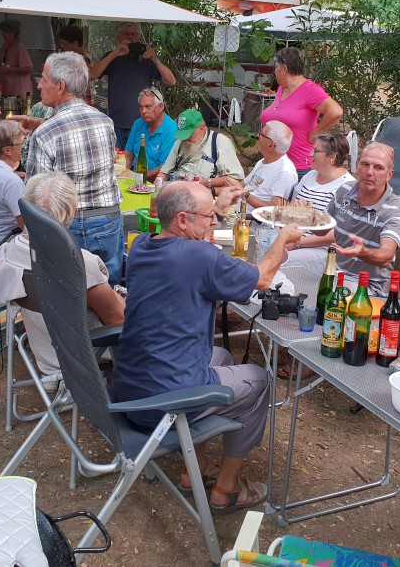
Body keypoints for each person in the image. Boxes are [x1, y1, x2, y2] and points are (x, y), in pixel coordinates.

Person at [113, 180, 303, 513]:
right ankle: (226, 491)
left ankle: (193, 471)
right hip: (163, 401)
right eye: (209, 216)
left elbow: (191, 241)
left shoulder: (143, 245)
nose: (215, 221)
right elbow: (260, 279)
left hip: (131, 388)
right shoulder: (199, 256)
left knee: (223, 356)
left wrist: (216, 206)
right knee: (259, 380)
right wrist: (283, 238)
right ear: (184, 220)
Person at [0, 172, 125, 378]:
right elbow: (118, 320)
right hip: (86, 357)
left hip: (45, 354)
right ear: (74, 212)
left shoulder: (7, 251)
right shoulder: (81, 263)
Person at [24, 51, 125, 285]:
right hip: (108, 218)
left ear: (60, 86)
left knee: (70, 297)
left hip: (67, 224)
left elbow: (36, 196)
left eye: (43, 79)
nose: (38, 85)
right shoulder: (105, 122)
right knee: (109, 290)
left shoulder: (46, 133)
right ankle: (111, 324)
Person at [294, 142, 400, 297]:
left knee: (321, 294)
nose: (369, 172)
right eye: (365, 164)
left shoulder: (396, 210)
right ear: (357, 166)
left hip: (368, 286)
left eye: (378, 167)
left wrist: (364, 252)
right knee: (282, 263)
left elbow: (386, 255)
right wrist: (310, 218)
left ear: (389, 174)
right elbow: (323, 232)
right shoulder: (344, 190)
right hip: (335, 270)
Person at [260, 47, 342, 179]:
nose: (274, 72)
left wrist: (316, 132)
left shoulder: (310, 90)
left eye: (276, 68)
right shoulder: (282, 88)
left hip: (298, 166)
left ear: (284, 69)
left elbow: (336, 111)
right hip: (275, 164)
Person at [89, 22, 176, 147]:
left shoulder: (146, 59)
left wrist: (155, 59)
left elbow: (171, 81)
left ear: (138, 37)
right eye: (126, 34)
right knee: (118, 163)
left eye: (133, 34)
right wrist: (114, 53)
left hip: (141, 124)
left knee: (137, 163)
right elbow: (93, 74)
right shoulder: (112, 57)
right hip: (116, 124)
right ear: (118, 37)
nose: (130, 37)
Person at [158, 108, 245, 191]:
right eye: (183, 134)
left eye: (189, 134)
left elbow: (234, 180)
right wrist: (155, 191)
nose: (185, 139)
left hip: (205, 195)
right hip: (177, 190)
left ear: (202, 128)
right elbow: (164, 173)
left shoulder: (220, 142)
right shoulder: (181, 141)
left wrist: (207, 182)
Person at [239, 120, 297, 209]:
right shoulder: (264, 161)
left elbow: (274, 210)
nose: (258, 136)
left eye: (261, 134)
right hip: (235, 207)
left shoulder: (284, 172)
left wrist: (244, 194)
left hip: (247, 218)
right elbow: (244, 185)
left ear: (271, 145)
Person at [123, 87, 177, 181]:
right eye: (140, 107)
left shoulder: (171, 129)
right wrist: (124, 172)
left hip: (157, 181)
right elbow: (128, 154)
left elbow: (165, 167)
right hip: (134, 177)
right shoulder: (138, 123)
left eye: (148, 107)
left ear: (160, 107)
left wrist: (138, 177)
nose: (143, 111)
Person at [290, 133, 355, 211]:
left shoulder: (347, 187)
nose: (310, 154)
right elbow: (290, 206)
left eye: (315, 151)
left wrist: (306, 215)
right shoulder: (309, 176)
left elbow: (341, 221)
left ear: (332, 157)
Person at [0, 18, 33, 99]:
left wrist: (11, 69)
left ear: (13, 32)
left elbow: (29, 68)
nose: (2, 33)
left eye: (4, 31)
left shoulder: (19, 47)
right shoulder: (6, 44)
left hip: (18, 89)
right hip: (7, 87)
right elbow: (1, 63)